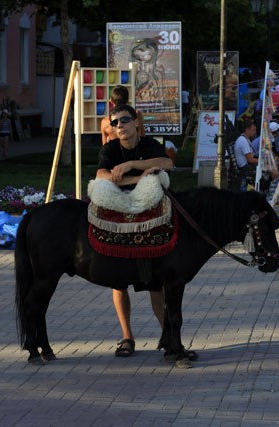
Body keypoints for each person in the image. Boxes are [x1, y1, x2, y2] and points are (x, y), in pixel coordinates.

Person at [96, 104, 174, 358]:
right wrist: (137, 179)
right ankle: (127, 336)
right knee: (118, 283)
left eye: (125, 120)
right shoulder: (109, 149)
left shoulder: (149, 145)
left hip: (147, 217)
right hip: (119, 214)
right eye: (115, 122)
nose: (119, 126)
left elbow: (166, 163)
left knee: (154, 283)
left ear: (136, 122)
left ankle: (169, 337)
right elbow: (101, 176)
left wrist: (130, 164)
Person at [233, 119, 258, 191]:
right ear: (247, 129)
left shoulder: (245, 139)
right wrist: (261, 161)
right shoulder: (243, 141)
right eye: (253, 130)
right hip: (244, 166)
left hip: (246, 164)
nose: (254, 132)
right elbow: (250, 159)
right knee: (266, 168)